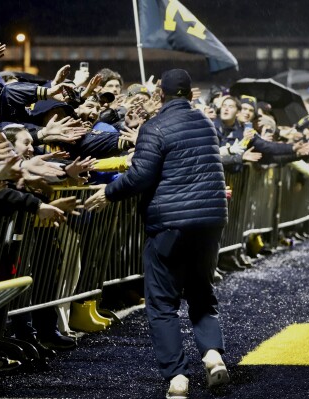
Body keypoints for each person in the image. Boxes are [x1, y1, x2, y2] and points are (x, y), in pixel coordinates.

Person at [85, 69, 230, 399]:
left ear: (161, 95)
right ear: (190, 94)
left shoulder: (155, 127)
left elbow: (140, 177)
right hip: (209, 222)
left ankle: (177, 377)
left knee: (162, 302)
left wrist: (109, 194)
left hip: (168, 224)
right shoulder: (206, 124)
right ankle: (212, 355)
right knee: (201, 292)